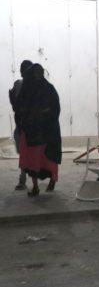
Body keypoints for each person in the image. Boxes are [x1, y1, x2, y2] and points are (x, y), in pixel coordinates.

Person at [14, 64, 61, 197]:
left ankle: (52, 179)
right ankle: (35, 187)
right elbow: (19, 106)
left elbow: (55, 108)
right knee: (32, 160)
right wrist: (28, 113)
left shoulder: (49, 88)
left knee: (49, 158)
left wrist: (42, 113)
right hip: (31, 131)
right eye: (37, 72)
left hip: (47, 131)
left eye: (41, 72)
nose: (39, 75)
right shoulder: (27, 88)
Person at [8, 59, 33, 190]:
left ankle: (25, 180)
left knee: (29, 154)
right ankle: (26, 180)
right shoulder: (20, 85)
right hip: (25, 127)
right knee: (26, 154)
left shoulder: (23, 85)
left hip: (29, 128)